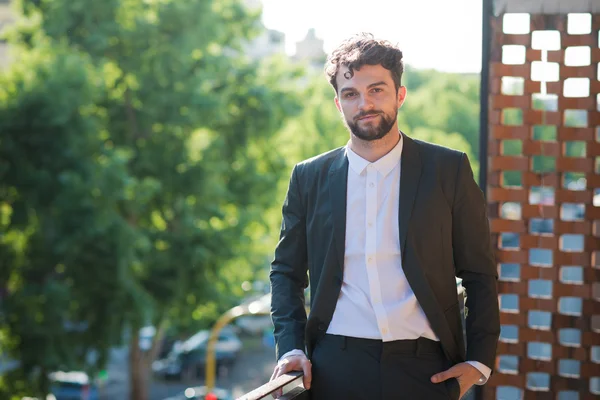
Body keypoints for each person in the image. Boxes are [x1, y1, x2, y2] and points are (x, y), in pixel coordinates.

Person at [269, 33, 500, 400]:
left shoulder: (448, 169)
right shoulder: (308, 177)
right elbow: (286, 272)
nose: (364, 103)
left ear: (400, 94)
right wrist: (292, 347)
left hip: (427, 369)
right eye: (351, 94)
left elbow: (479, 272)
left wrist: (479, 363)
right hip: (333, 367)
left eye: (377, 90)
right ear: (338, 103)